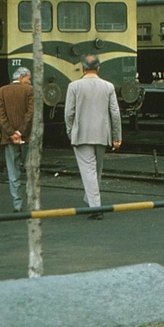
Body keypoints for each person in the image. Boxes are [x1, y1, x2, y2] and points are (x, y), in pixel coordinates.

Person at [65, 53, 122, 220]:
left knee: (89, 171)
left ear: (82, 68)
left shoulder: (73, 86)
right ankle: (90, 199)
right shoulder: (108, 86)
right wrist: (116, 135)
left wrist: (70, 131)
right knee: (96, 171)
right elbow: (115, 113)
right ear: (98, 68)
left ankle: (96, 208)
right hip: (102, 134)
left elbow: (69, 113)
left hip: (82, 134)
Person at [0, 67, 33, 211]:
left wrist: (12, 133)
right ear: (22, 77)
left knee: (13, 172)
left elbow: (1, 116)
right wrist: (21, 132)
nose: (29, 82)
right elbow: (30, 113)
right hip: (27, 137)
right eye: (28, 79)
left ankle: (17, 204)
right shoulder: (30, 91)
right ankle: (31, 203)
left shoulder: (1, 91)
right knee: (30, 171)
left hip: (9, 138)